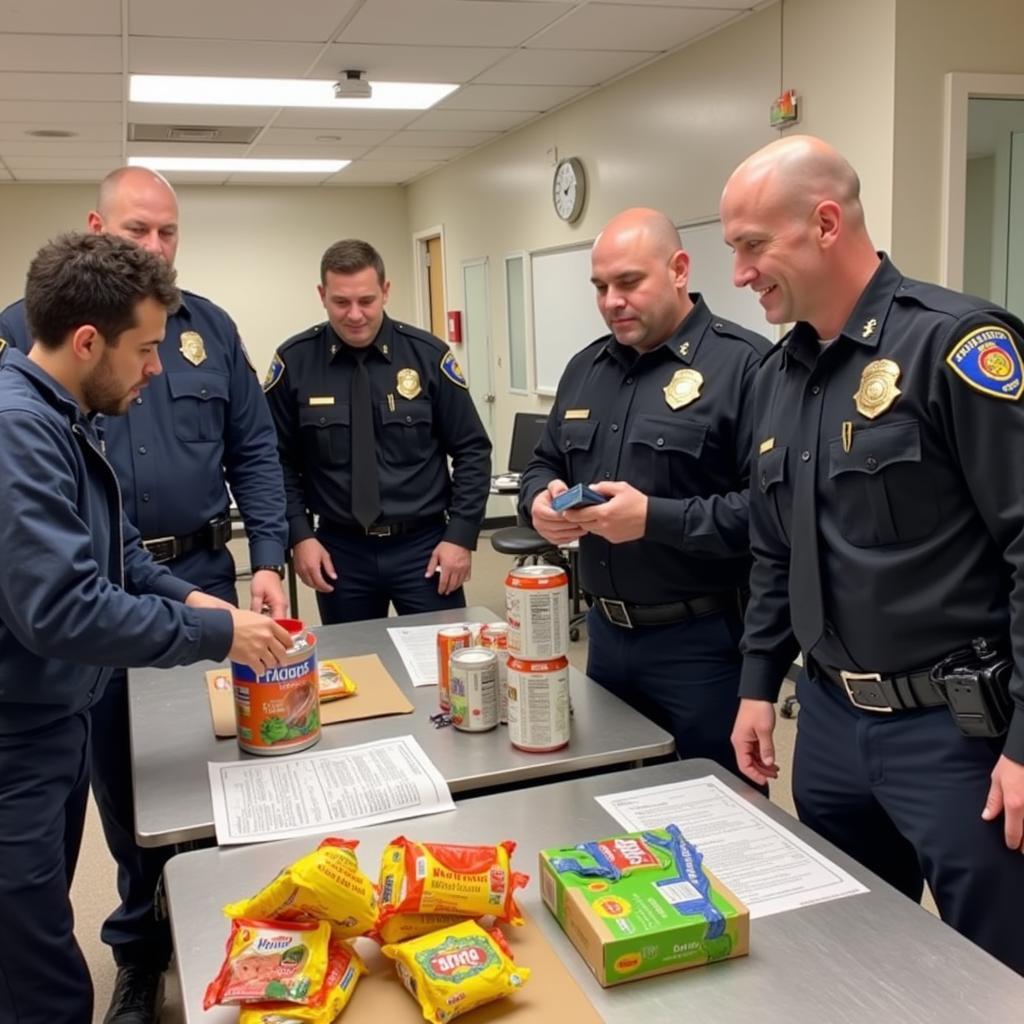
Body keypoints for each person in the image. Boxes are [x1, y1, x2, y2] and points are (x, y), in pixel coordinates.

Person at [721, 135, 1024, 974]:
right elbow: (777, 549)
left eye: (753, 245)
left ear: (824, 223)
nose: (741, 273)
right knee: (850, 958)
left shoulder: (956, 345)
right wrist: (757, 684)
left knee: (994, 970)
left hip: (958, 738)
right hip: (827, 725)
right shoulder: (782, 374)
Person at [0, 167, 289, 1023]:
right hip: (20, 730)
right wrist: (210, 636)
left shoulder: (64, 414)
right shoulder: (20, 428)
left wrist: (204, 605)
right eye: (145, 352)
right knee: (38, 970)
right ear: (89, 341)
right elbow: (65, 607)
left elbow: (117, 551)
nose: (157, 371)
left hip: (55, 706)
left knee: (42, 921)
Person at [519, 208, 770, 780]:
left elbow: (770, 515)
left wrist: (655, 519)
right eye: (601, 287)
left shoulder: (746, 366)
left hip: (702, 642)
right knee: (610, 798)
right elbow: (544, 462)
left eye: (629, 282)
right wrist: (540, 500)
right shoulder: (585, 368)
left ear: (679, 269)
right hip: (605, 637)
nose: (612, 301)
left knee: (715, 803)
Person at [264, 238, 492, 624]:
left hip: (425, 547)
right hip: (339, 551)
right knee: (354, 668)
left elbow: (472, 450)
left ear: (386, 292)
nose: (355, 315)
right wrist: (300, 535)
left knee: (443, 663)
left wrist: (461, 536)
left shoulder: (428, 356)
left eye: (366, 301)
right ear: (322, 295)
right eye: (341, 302)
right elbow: (276, 460)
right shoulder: (295, 361)